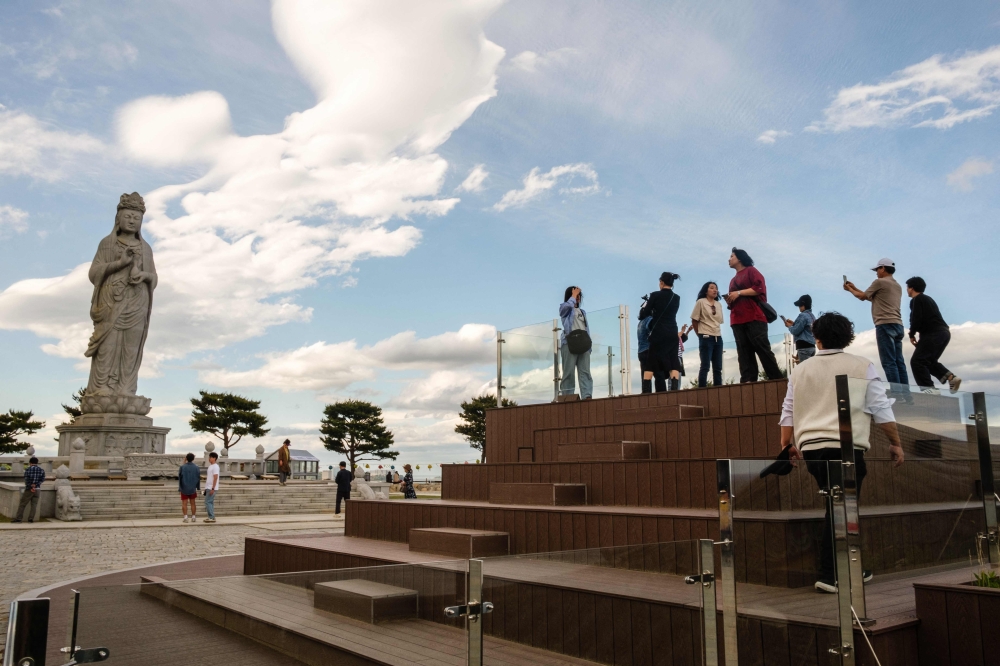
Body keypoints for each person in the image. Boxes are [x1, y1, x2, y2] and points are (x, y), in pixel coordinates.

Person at [778, 312, 904, 593]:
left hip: (811, 448)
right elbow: (881, 409)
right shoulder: (862, 366)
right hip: (846, 447)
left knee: (835, 503)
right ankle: (832, 573)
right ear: (848, 337)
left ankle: (843, 568)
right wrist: (895, 442)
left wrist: (787, 445)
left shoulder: (801, 370)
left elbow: (788, 411)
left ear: (816, 338)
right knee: (842, 506)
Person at [844, 258, 908, 388]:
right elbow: (872, 297)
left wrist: (849, 290)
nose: (876, 272)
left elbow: (863, 297)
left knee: (889, 362)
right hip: (898, 324)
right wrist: (854, 287)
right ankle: (907, 396)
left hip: (884, 324)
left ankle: (897, 394)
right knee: (899, 362)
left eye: (877, 269)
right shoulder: (897, 285)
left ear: (883, 268)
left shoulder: (879, 282)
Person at [725, 248, 783, 383]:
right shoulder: (732, 280)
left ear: (739, 258)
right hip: (737, 319)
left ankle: (776, 379)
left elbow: (759, 288)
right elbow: (733, 299)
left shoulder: (751, 271)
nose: (729, 259)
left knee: (762, 348)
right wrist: (730, 299)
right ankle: (747, 381)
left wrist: (738, 293)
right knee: (743, 352)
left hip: (755, 316)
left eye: (732, 256)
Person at [906, 277, 961, 393]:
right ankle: (951, 378)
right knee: (928, 361)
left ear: (911, 288)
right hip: (943, 333)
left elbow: (916, 318)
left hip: (933, 333)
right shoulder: (928, 299)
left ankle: (928, 389)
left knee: (917, 362)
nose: (907, 290)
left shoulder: (916, 300)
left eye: (907, 287)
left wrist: (911, 334)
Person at [638, 272, 683, 393]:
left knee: (651, 362)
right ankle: (674, 390)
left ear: (661, 282)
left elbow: (646, 312)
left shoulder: (655, 295)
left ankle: (646, 392)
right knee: (673, 361)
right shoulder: (676, 298)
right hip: (672, 331)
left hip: (658, 332)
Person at [558, 287, 593, 399]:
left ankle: (587, 396)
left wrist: (589, 346)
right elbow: (564, 308)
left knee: (585, 372)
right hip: (569, 342)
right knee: (568, 372)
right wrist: (573, 296)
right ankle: (567, 397)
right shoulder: (566, 309)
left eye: (579, 295)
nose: (578, 298)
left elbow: (586, 328)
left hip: (583, 342)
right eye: (575, 295)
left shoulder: (582, 312)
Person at [690, 281, 724, 387]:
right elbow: (694, 320)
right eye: (712, 288)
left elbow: (719, 321)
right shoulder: (701, 302)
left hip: (718, 337)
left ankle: (718, 389)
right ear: (706, 291)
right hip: (705, 336)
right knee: (705, 366)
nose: (715, 290)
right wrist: (700, 335)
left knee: (718, 367)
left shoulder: (719, 304)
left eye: (716, 288)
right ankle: (702, 390)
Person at [782, 295, 816, 363]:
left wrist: (789, 326)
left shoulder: (802, 315)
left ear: (803, 305)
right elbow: (806, 328)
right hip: (812, 347)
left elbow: (795, 331)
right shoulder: (812, 316)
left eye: (799, 305)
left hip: (803, 348)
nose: (799, 307)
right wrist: (794, 324)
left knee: (805, 371)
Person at [12, 457, 45, 524]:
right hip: (37, 489)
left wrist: (31, 486)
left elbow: (27, 480)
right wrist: (36, 485)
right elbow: (42, 479)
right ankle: (31, 519)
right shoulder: (41, 470)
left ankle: (18, 518)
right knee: (34, 505)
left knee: (22, 504)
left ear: (30, 463)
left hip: (29, 489)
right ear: (37, 462)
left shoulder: (28, 470)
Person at [636, 314, 665, 394]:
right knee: (659, 374)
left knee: (645, 376)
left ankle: (646, 395)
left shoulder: (640, 322)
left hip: (641, 351)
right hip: (650, 350)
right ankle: (661, 395)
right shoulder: (650, 320)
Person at [178, 453, 201, 524]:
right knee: (193, 503)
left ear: (186, 458)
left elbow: (180, 477)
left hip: (184, 487)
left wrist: (180, 487)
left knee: (184, 503)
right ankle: (193, 516)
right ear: (193, 459)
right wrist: (198, 487)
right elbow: (198, 478)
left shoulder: (182, 467)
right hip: (192, 487)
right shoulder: (196, 467)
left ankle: (185, 517)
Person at [203, 452, 220, 523]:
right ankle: (211, 516)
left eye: (210, 457)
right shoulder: (210, 466)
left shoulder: (215, 466)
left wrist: (213, 488)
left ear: (214, 458)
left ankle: (211, 516)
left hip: (212, 487)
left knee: (208, 502)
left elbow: (215, 477)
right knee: (210, 502)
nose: (209, 459)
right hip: (208, 486)